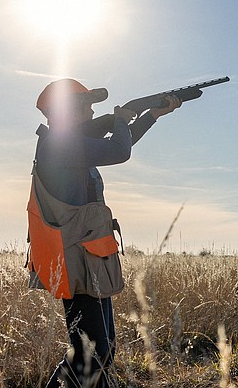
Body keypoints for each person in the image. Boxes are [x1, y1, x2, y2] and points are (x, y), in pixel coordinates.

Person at [29, 78, 181, 388]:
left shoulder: (67, 146)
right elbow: (118, 150)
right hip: (75, 261)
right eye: (85, 106)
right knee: (93, 352)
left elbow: (115, 146)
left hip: (87, 258)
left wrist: (150, 115)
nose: (91, 111)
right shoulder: (58, 146)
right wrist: (123, 119)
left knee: (99, 348)